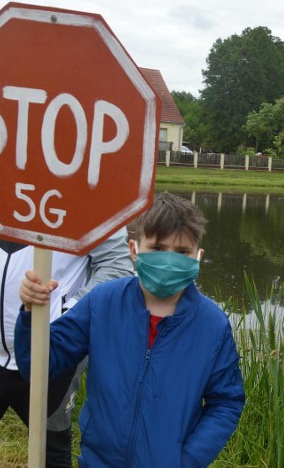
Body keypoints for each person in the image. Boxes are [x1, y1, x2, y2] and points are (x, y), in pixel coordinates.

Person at [15, 191, 245, 466]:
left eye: (182, 252)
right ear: (134, 250)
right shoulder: (102, 303)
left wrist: (188, 460)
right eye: (158, 249)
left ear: (198, 256)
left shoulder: (212, 325)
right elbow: (38, 365)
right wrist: (31, 313)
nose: (169, 260)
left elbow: (226, 402)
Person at [0, 203, 133, 468]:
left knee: (52, 460)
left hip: (51, 357)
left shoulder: (90, 200)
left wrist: (66, 318)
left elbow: (117, 268)